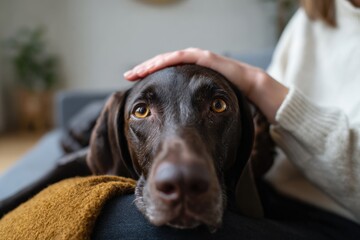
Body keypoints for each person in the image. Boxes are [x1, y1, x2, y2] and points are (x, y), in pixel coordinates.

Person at [94, 0, 360, 239]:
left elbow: (265, 104)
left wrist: (257, 84)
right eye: (142, 111)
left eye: (217, 105)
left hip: (335, 218)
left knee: (118, 223)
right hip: (269, 193)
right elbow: (264, 126)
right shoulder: (313, 17)